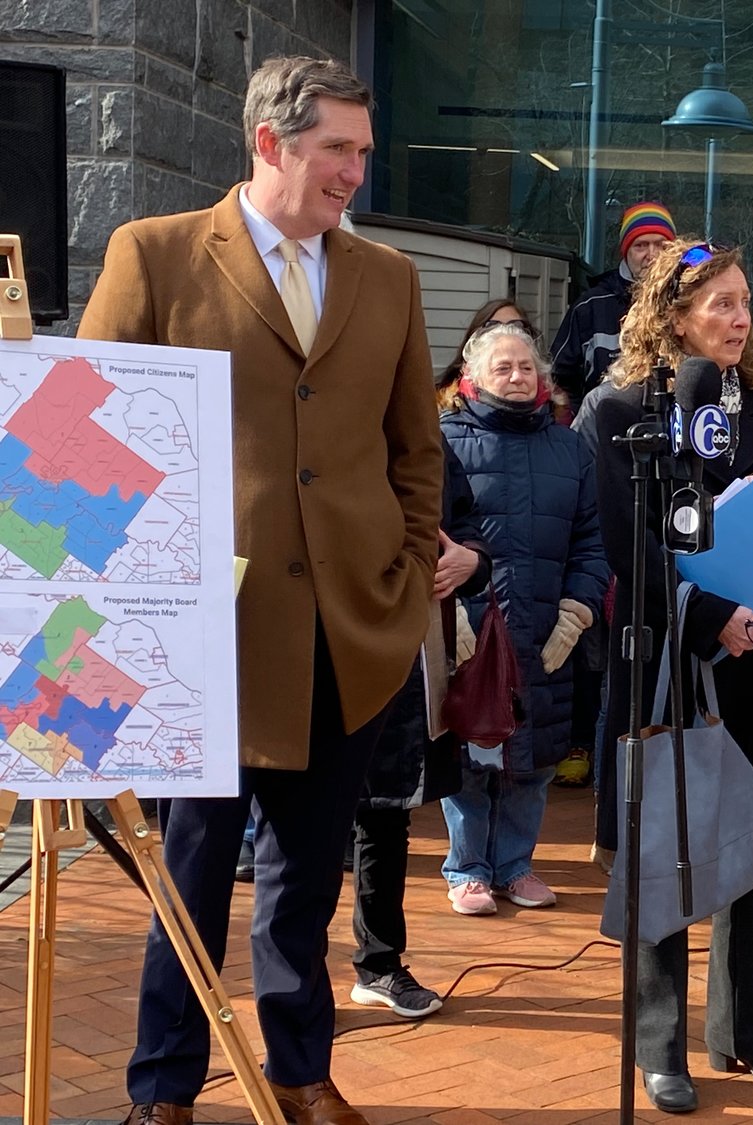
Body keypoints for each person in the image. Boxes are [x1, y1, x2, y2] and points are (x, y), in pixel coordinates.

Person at [78, 56, 444, 1125]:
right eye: (338, 149)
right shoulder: (154, 255)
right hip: (206, 633)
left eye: (363, 153)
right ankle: (165, 1086)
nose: (354, 175)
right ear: (270, 141)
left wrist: (410, 570)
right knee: (187, 871)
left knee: (307, 876)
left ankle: (298, 1072)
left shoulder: (389, 276)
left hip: (351, 630)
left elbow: (414, 449)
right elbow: (88, 434)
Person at [592, 240, 753, 1114]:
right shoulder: (619, 411)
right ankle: (661, 1047)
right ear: (672, 316)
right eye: (721, 305)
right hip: (670, 658)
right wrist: (709, 617)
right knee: (668, 841)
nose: (740, 321)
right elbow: (628, 549)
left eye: (746, 303)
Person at [437, 323, 609, 915]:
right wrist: (447, 613)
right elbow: (425, 537)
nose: (516, 377)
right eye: (502, 368)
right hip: (475, 629)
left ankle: (515, 865)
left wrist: (578, 609)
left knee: (533, 760)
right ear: (473, 379)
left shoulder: (569, 447)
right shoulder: (445, 442)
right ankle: (467, 868)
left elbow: (592, 541)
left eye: (526, 367)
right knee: (470, 757)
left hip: (544, 629)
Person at [349, 439, 492, 1017]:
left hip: (409, 655)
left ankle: (379, 965)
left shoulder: (423, 438)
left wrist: (473, 561)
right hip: (311, 653)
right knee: (301, 829)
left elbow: (466, 528)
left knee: (385, 816)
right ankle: (295, 978)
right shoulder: (301, 419)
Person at [549, 201, 675, 406]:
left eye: (662, 245)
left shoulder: (688, 303)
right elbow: (559, 378)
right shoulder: (591, 306)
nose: (652, 255)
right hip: (604, 430)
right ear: (626, 252)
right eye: (640, 245)